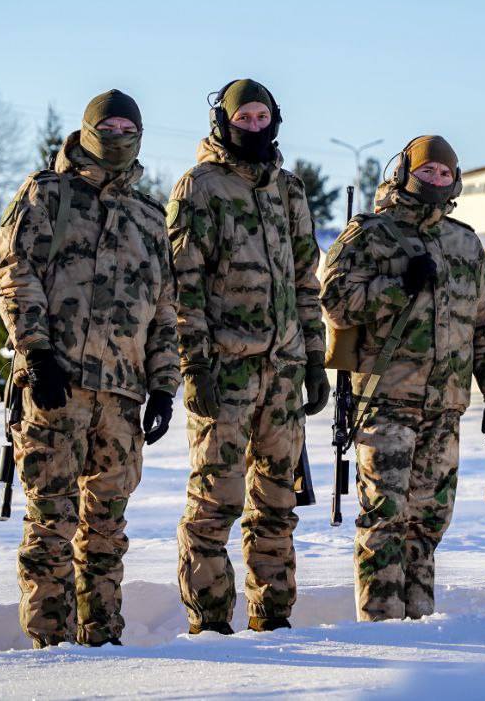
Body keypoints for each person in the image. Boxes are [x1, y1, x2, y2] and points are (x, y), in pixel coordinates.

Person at [0, 89, 179, 647]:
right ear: (87, 131)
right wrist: (36, 353)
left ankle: (102, 638)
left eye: (128, 129)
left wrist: (164, 384)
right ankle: (50, 644)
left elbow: (164, 307)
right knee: (51, 523)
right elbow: (14, 272)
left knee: (106, 528)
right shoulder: (47, 194)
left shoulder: (149, 215)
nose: (118, 137)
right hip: (56, 386)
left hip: (121, 397)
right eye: (109, 127)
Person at [320, 135, 485, 621]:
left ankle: (420, 624)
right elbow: (334, 303)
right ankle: (381, 629)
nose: (436, 180)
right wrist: (398, 285)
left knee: (427, 523)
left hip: (445, 406)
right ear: (405, 173)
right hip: (386, 401)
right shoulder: (370, 233)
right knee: (384, 519)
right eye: (427, 172)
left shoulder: (465, 242)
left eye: (444, 174)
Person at [169, 78, 329, 634]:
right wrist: (193, 364)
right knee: (215, 503)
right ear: (224, 122)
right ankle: (210, 625)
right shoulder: (200, 187)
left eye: (262, 118)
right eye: (244, 118)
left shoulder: (289, 190)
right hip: (224, 371)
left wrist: (314, 358)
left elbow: (306, 280)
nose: (253, 127)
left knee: (278, 504)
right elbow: (183, 284)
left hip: (283, 371)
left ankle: (273, 618)